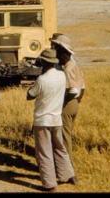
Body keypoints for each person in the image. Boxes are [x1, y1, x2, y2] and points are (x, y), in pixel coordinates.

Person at [27, 48, 76, 192]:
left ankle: (49, 184)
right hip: (56, 119)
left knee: (44, 152)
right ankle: (67, 174)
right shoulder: (61, 75)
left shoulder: (41, 79)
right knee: (60, 148)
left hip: (42, 120)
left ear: (43, 61)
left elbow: (30, 95)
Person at [51, 34, 86, 163]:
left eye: (57, 50)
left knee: (64, 137)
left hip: (67, 104)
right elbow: (82, 87)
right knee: (66, 134)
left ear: (63, 51)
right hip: (74, 104)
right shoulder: (74, 65)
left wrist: (61, 101)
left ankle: (67, 166)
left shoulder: (68, 69)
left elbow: (72, 90)